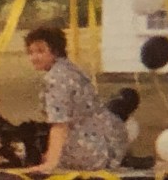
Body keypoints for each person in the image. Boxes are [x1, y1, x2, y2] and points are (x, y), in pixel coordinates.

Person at [23, 27, 128, 172]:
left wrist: (51, 162)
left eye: (40, 51)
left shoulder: (56, 79)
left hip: (87, 149)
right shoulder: (71, 70)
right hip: (108, 145)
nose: (34, 57)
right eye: (30, 52)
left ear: (55, 51)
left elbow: (60, 124)